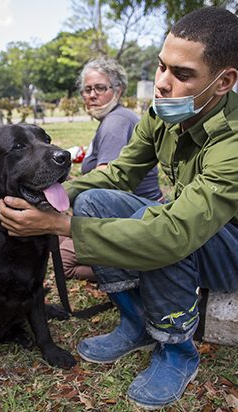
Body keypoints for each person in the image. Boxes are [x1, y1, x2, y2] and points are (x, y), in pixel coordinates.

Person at [0, 7, 238, 409]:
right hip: (189, 223)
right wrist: (52, 197)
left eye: (182, 75)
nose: (162, 84)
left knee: (160, 233)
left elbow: (172, 234)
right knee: (95, 200)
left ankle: (177, 351)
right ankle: (137, 323)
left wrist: (61, 225)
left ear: (225, 81)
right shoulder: (163, 115)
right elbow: (117, 177)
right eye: (161, 67)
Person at [60, 57, 163, 281]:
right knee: (55, 235)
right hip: (131, 209)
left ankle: (140, 276)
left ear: (118, 90)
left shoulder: (115, 123)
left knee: (63, 260)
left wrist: (65, 191)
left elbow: (105, 178)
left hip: (134, 217)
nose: (92, 95)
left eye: (100, 88)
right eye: (87, 90)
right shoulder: (117, 118)